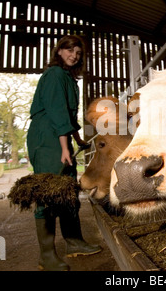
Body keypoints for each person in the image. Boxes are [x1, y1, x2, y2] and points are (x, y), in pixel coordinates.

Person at [27, 35, 101, 271]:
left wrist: (76, 138)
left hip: (60, 134)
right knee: (48, 191)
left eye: (78, 53)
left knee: (68, 190)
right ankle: (46, 256)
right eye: (69, 50)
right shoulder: (55, 75)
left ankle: (74, 242)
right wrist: (63, 146)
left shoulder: (70, 79)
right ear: (59, 51)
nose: (74, 56)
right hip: (46, 136)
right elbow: (57, 111)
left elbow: (69, 116)